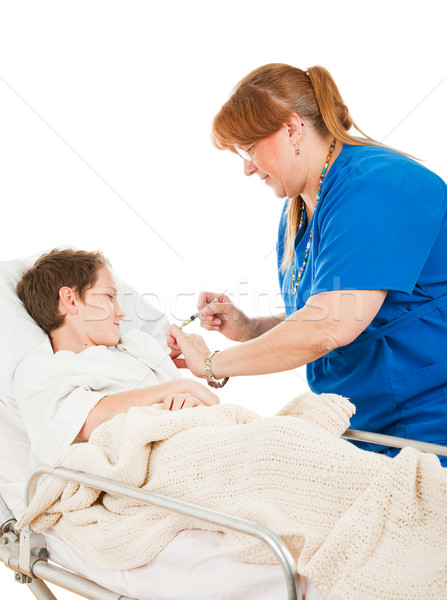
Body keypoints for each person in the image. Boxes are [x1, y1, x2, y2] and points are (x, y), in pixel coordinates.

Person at [166, 63, 447, 464]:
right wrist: (251, 328)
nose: (247, 168)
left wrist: (211, 365)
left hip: (424, 431)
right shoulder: (298, 209)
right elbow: (326, 312)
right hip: (359, 430)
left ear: (292, 128)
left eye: (248, 149)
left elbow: (331, 326)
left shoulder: (376, 187)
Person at [15, 248, 219, 467]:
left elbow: (214, 405)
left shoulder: (135, 347)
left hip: (201, 441)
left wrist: (195, 388)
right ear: (70, 300)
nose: (121, 312)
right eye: (109, 297)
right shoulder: (41, 368)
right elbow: (86, 421)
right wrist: (182, 387)